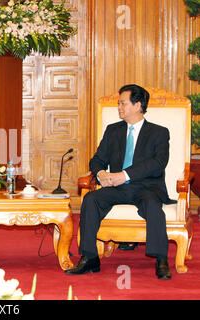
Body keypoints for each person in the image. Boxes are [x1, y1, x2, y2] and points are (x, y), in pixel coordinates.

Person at [65, 84, 174, 280]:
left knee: (152, 205)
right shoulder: (113, 130)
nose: (119, 107)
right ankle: (89, 257)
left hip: (146, 187)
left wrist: (124, 174)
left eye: (123, 103)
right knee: (90, 199)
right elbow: (97, 159)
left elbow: (158, 163)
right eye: (119, 103)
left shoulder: (159, 132)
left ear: (138, 105)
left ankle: (161, 259)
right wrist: (100, 174)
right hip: (116, 187)